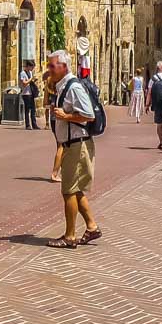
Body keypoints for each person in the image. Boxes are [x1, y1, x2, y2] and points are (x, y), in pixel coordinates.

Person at [46, 49, 101, 248]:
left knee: (68, 191)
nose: (49, 69)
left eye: (52, 66)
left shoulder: (73, 87)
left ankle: (70, 236)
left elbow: (88, 115)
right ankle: (92, 227)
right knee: (76, 191)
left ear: (64, 66)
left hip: (78, 145)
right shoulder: (62, 86)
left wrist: (66, 116)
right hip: (72, 144)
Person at [43, 67, 63, 182]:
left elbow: (45, 102)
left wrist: (51, 103)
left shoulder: (48, 83)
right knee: (62, 145)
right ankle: (54, 173)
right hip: (61, 116)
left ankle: (61, 171)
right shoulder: (62, 84)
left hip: (53, 118)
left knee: (59, 145)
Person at [19, 59, 39, 129]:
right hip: (26, 94)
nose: (32, 69)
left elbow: (30, 81)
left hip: (31, 93)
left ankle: (34, 124)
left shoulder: (30, 72)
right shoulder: (22, 73)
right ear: (28, 66)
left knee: (33, 109)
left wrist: (33, 80)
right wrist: (31, 79)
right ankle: (27, 125)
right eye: (32, 67)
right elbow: (24, 83)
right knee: (27, 110)